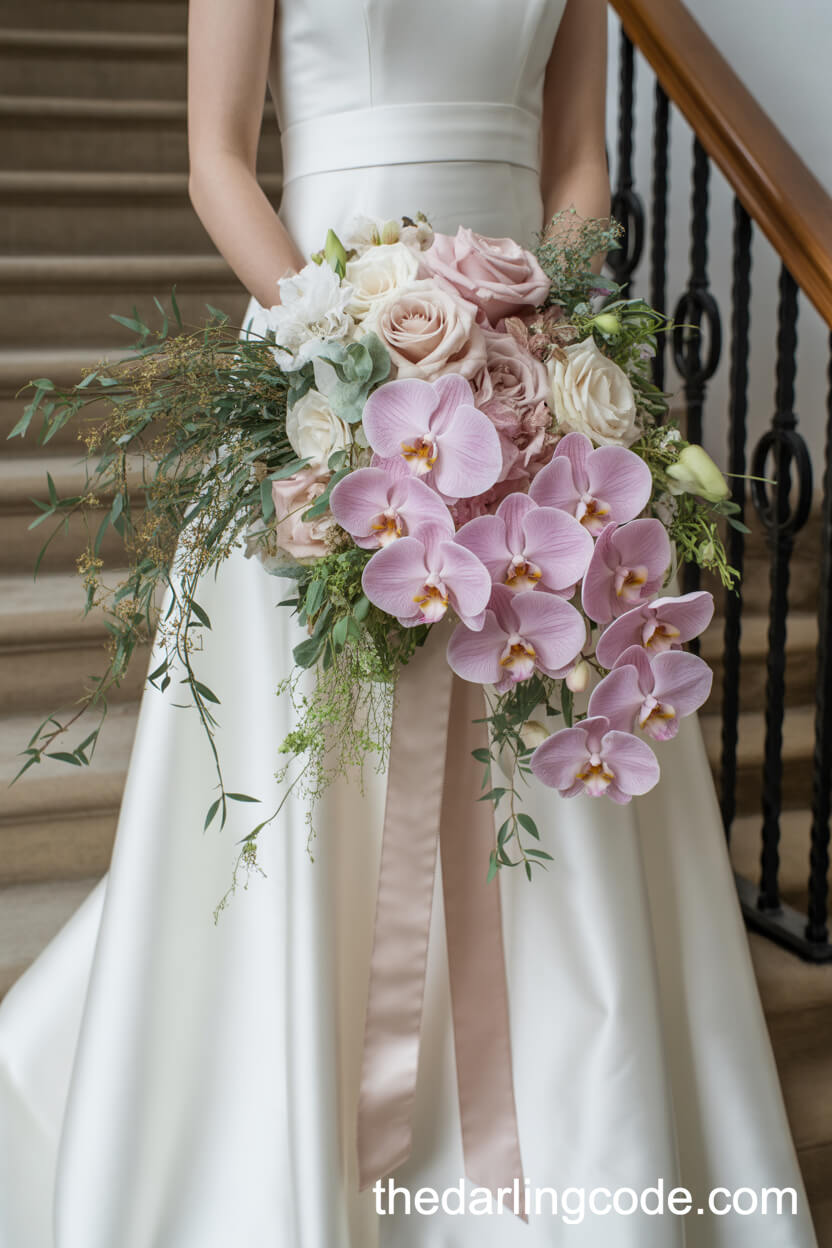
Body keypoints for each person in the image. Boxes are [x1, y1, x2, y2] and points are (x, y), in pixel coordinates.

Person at [0, 1, 817, 1244]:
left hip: (529, 377)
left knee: (548, 730)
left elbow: (576, 160)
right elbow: (216, 157)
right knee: (320, 765)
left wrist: (549, 342)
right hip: (325, 372)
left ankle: (581, 1122)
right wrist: (348, 355)